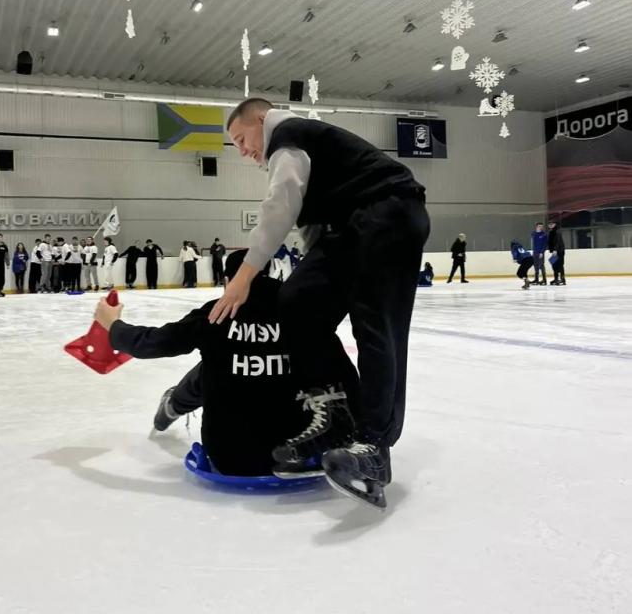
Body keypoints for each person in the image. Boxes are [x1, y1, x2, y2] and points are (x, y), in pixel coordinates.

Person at [210, 98, 430, 508]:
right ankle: (337, 415)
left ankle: (374, 447)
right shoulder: (309, 156)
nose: (242, 151)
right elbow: (310, 226)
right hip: (346, 228)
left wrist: (243, 277)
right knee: (298, 301)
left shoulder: (288, 135)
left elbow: (280, 204)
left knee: (374, 326)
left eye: (241, 139)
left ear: (262, 119)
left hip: (390, 212)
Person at [93, 250, 356, 476]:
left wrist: (112, 325)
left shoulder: (215, 313)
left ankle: (173, 404)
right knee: (305, 361)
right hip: (295, 450)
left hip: (229, 457)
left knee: (213, 365)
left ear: (229, 281)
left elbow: (153, 343)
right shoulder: (300, 312)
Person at [548, 221, 567, 286]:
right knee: (554, 264)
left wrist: (555, 250)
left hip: (559, 251)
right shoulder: (551, 232)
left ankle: (562, 279)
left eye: (552, 224)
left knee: (560, 264)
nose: (550, 225)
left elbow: (558, 241)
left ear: (555, 224)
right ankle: (556, 278)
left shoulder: (557, 231)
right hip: (555, 251)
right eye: (549, 224)